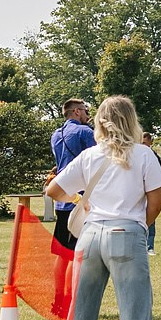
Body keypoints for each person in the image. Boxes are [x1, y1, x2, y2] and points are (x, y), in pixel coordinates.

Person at [47, 94, 161, 320]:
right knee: (135, 314)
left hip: (91, 235)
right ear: (131, 121)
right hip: (126, 232)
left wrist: (83, 203)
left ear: (100, 122)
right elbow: (155, 203)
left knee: (81, 312)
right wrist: (138, 227)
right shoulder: (143, 155)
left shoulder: (90, 156)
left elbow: (54, 190)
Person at [50, 99, 95, 248]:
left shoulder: (56, 135)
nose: (87, 116)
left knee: (61, 249)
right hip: (82, 198)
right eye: (86, 111)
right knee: (80, 248)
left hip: (62, 196)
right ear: (77, 111)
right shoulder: (85, 132)